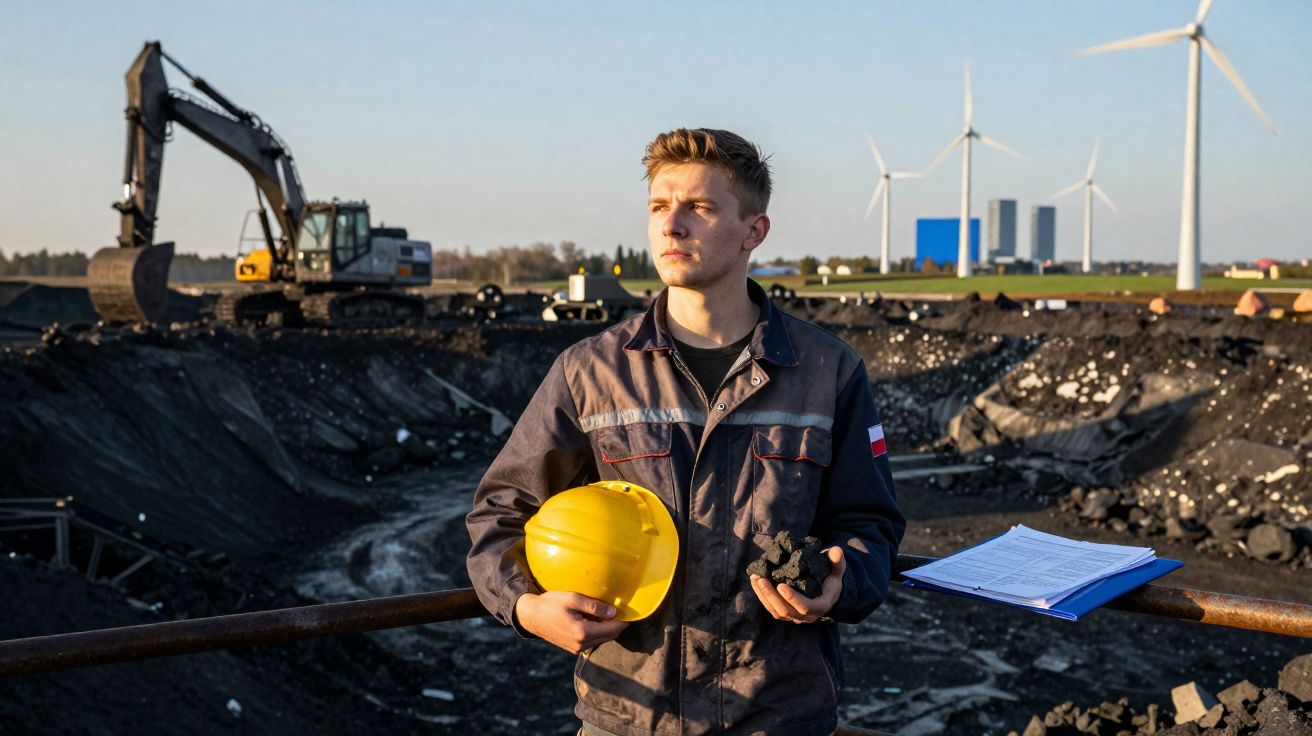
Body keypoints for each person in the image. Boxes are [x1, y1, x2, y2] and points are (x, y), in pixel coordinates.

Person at [466, 128, 905, 736]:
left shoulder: (829, 372)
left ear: (754, 231)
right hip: (628, 719)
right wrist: (526, 605)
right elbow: (499, 512)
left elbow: (870, 525)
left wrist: (840, 581)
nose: (671, 226)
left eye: (699, 207)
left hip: (779, 717)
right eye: (658, 207)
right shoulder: (590, 372)